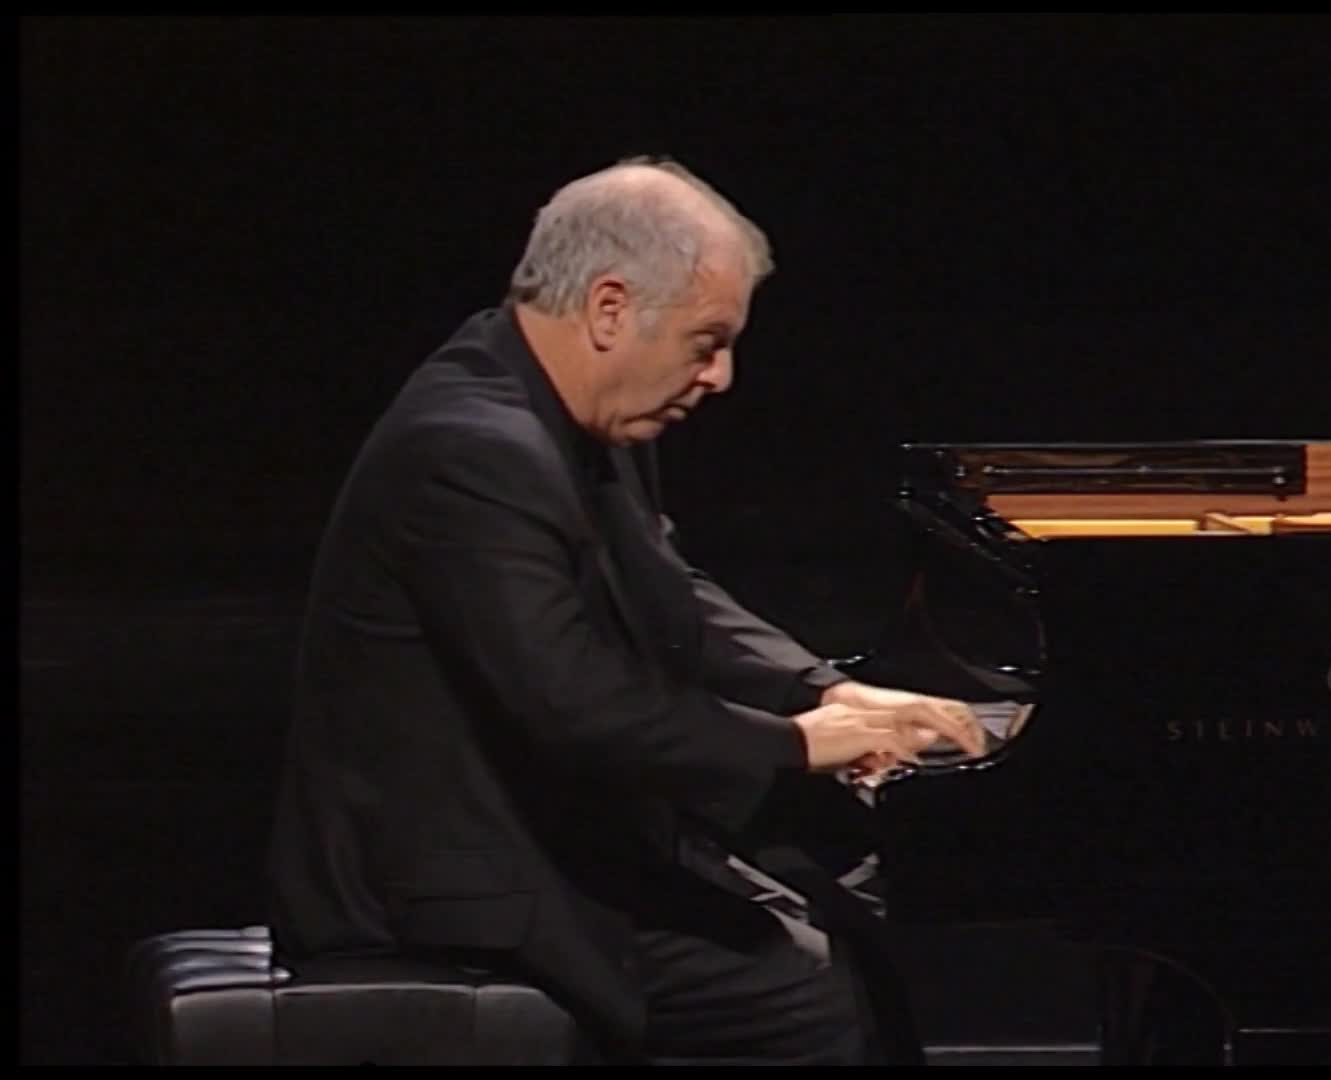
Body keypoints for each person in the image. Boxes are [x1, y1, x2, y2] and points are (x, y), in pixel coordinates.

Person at [265, 155, 988, 1065]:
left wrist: (827, 693)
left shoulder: (569, 408)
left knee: (836, 929)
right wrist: (800, 744)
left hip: (538, 837)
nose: (720, 375)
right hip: (442, 888)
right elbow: (576, 703)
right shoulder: (471, 448)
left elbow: (668, 589)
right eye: (706, 341)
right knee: (805, 1000)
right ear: (610, 309)